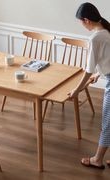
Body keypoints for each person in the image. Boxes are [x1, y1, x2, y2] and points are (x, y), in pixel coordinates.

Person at [68, 2, 110, 169]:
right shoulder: (106, 30)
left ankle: (97, 159)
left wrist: (76, 91)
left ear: (86, 20)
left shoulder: (95, 37)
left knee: (108, 123)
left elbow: (87, 70)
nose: (81, 24)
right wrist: (98, 74)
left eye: (80, 21)